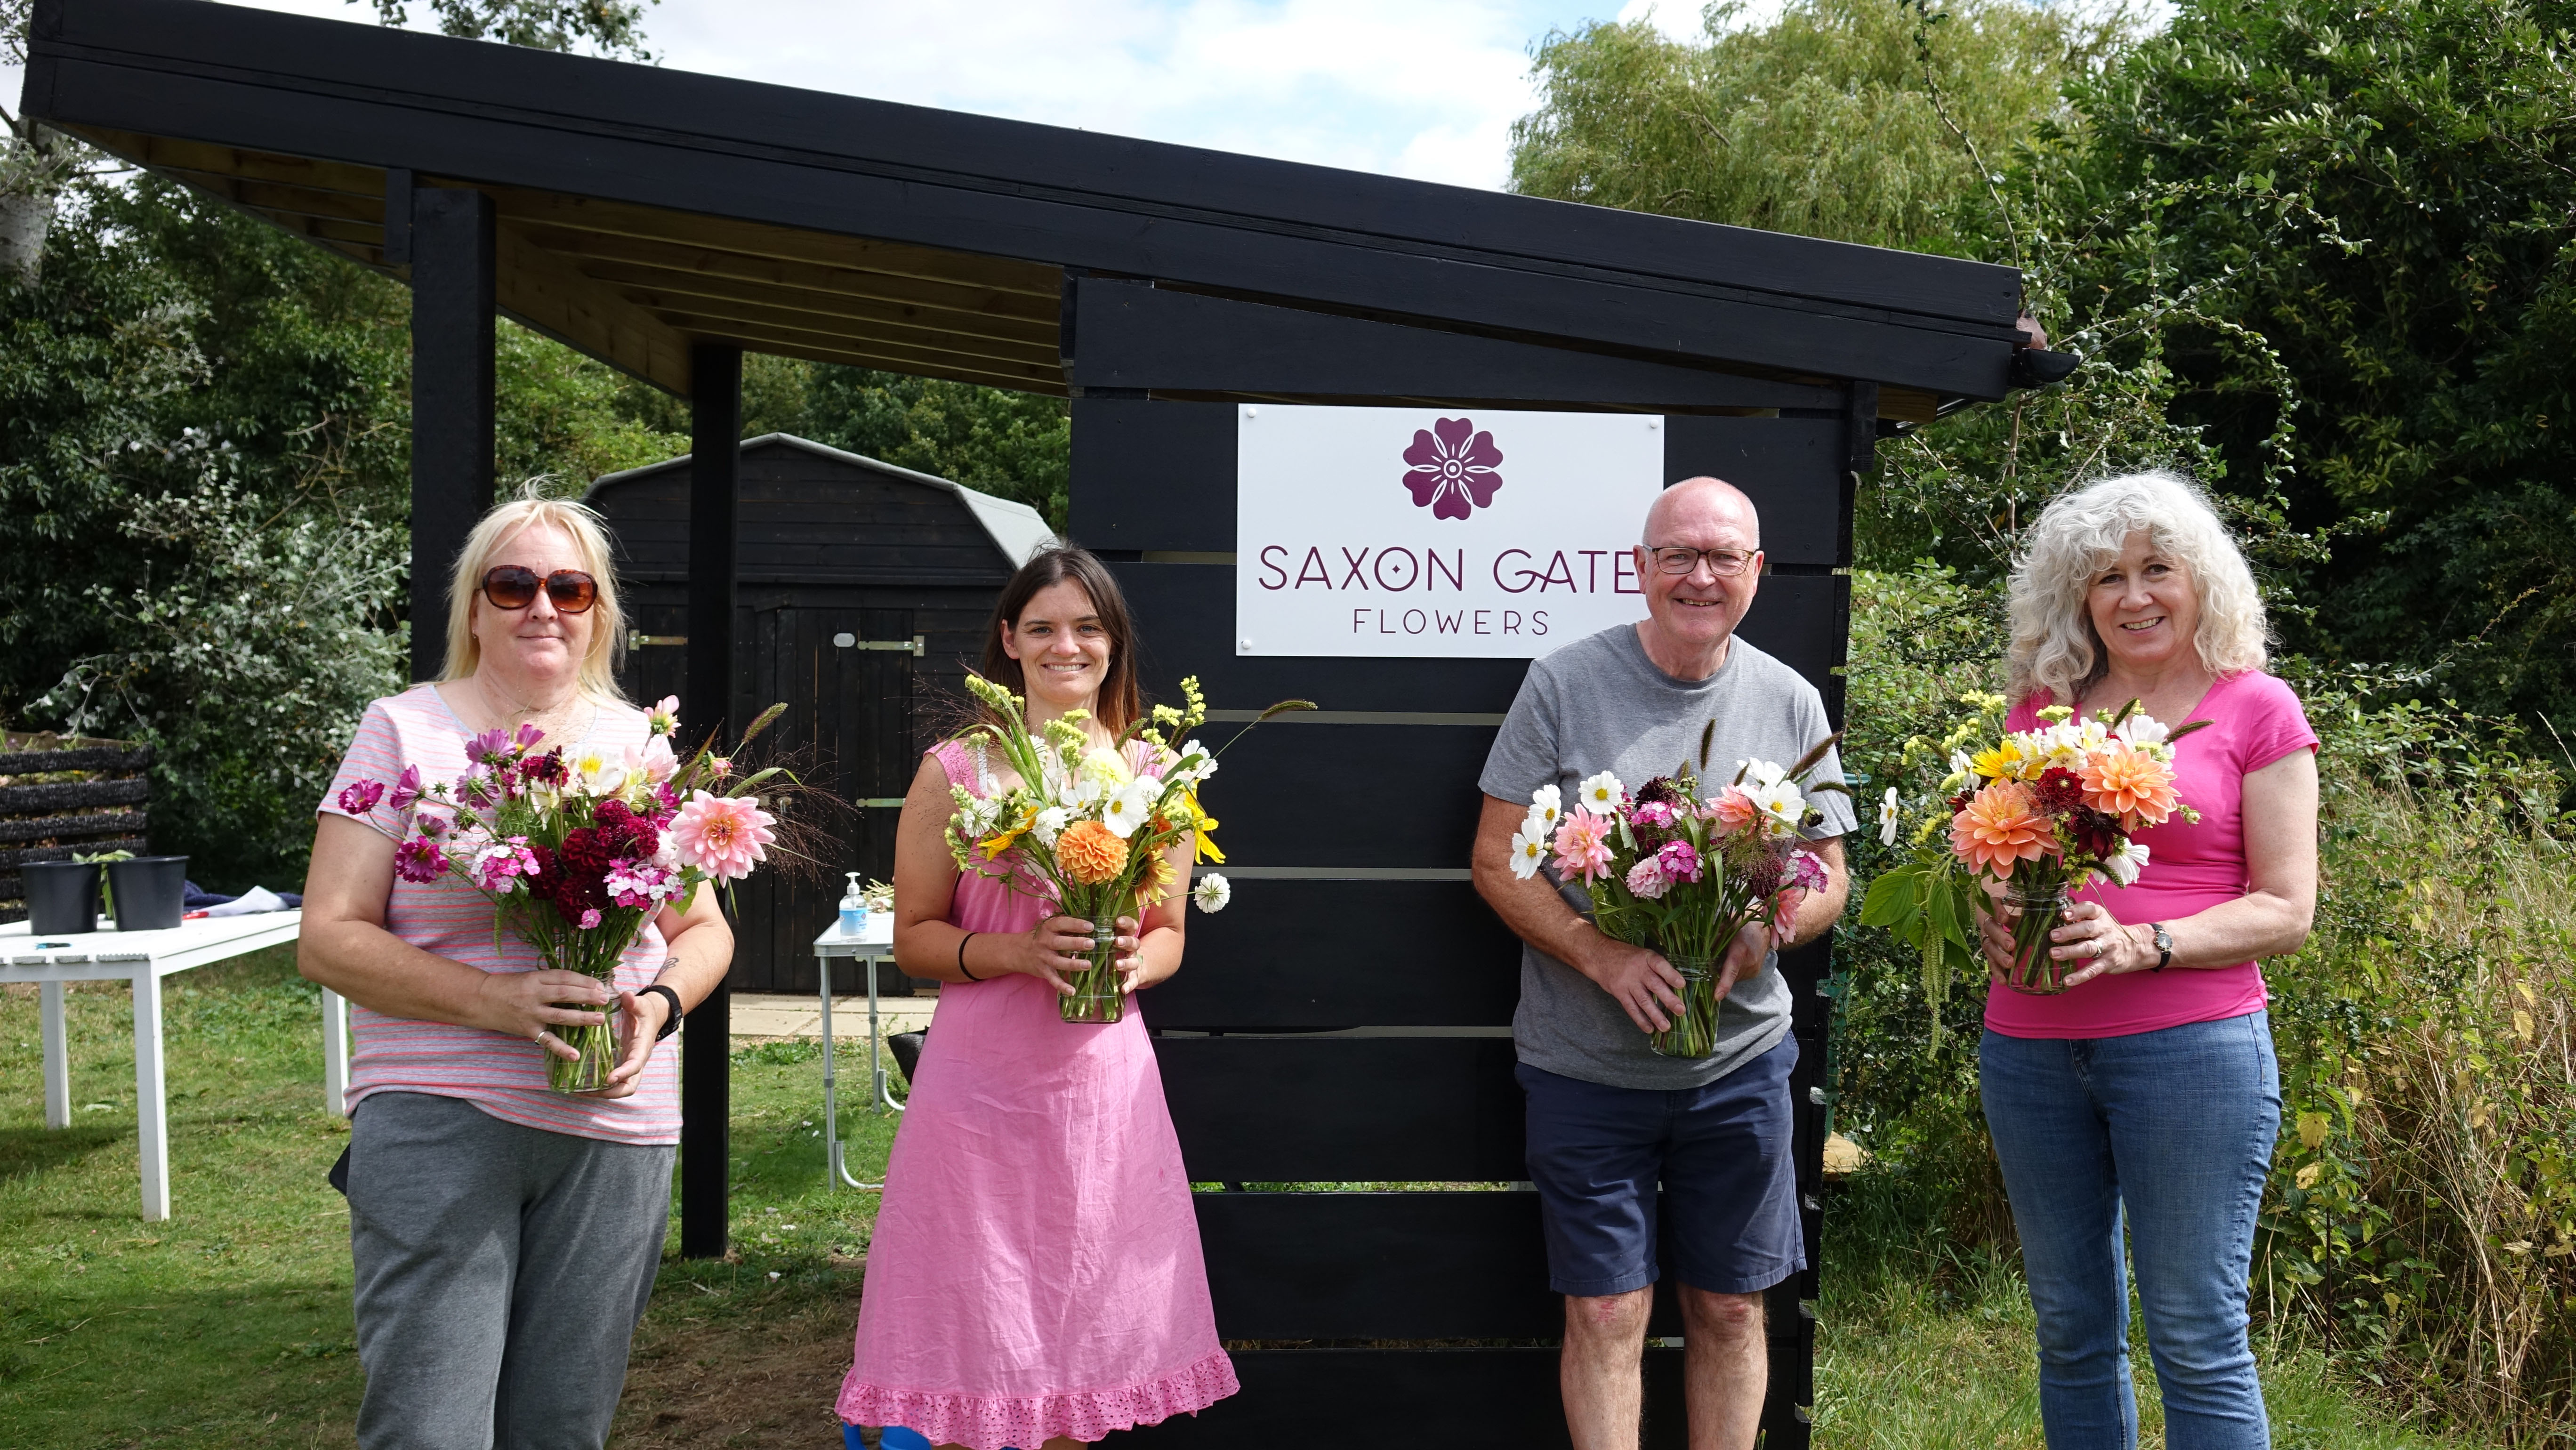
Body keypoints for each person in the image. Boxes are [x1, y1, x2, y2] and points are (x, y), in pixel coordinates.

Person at [300, 492, 734, 1450]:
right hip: (442, 1118)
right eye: (514, 585)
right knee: (429, 1428)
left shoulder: (639, 746)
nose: (544, 607)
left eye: (570, 589)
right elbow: (328, 935)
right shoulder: (403, 730)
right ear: (474, 608)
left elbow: (703, 928)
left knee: (562, 1430)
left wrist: (659, 1004)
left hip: (616, 1127)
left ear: (598, 612)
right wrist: (495, 1001)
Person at [1472, 477, 1854, 1450]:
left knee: (1731, 1308)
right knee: (1606, 1312)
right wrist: (1597, 953)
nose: (1700, 577)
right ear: (1640, 568)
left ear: (1757, 571)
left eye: (1723, 557)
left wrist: (1766, 929)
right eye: (1678, 555)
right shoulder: (1563, 683)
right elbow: (1496, 858)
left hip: (1739, 1068)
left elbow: (1831, 874)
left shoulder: (1791, 700)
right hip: (1584, 1066)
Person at [836, 545, 1238, 1450]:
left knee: (1086, 1337)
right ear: (1009, 640)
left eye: (1088, 628)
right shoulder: (956, 772)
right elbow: (913, 938)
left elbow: (1172, 932)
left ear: (1113, 642)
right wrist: (1017, 951)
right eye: (1045, 627)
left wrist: (1134, 963)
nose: (1068, 646)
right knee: (970, 1337)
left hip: (1101, 1100)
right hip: (978, 1099)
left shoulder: (1159, 776)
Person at [1977, 470, 2318, 1450]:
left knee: (2196, 1335)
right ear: (2077, 597)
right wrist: (1994, 914)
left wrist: (2142, 943)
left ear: (2201, 578)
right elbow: (2005, 852)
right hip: (2030, 1051)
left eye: (2157, 569)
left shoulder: (2258, 708)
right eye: (2107, 577)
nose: (2134, 596)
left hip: (2192, 1051)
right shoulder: (2045, 709)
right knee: (2071, 1332)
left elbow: (2287, 910)